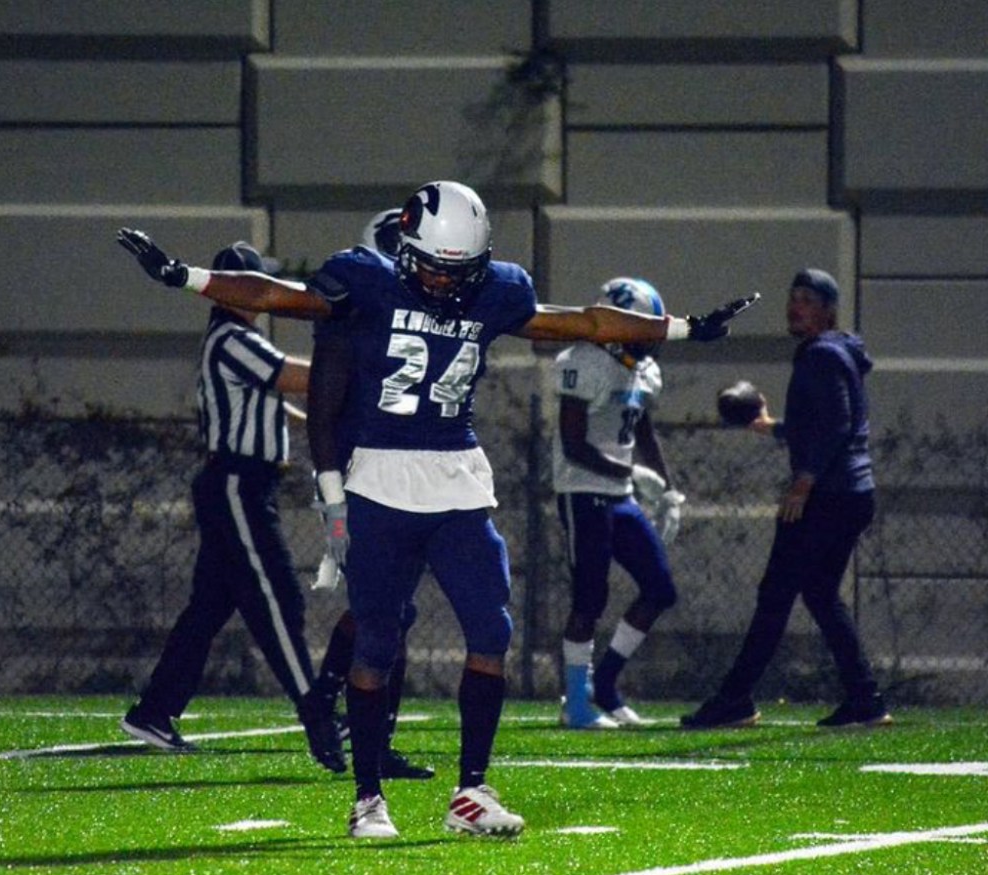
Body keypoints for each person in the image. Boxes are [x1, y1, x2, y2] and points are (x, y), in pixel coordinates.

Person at [117, 179, 745, 839]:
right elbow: (277, 296)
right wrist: (184, 276)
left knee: (491, 631)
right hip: (380, 477)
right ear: (407, 247)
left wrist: (683, 327)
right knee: (376, 642)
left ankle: (471, 791)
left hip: (456, 476)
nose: (446, 282)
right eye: (434, 267)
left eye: (459, 269)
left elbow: (585, 322)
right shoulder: (365, 280)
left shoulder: (495, 289)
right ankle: (368, 798)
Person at [120, 241, 346, 772]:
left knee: (208, 609)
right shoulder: (232, 339)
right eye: (255, 285)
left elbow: (273, 401)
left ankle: (154, 711)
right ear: (234, 289)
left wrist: (312, 423)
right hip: (237, 485)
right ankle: (316, 713)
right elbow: (291, 376)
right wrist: (357, 369)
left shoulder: (236, 340)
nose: (264, 295)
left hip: (242, 485)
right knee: (278, 598)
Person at [680, 268, 893, 730]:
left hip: (827, 497)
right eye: (793, 297)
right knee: (818, 593)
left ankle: (734, 699)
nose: (796, 306)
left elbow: (836, 425)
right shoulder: (836, 352)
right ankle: (865, 699)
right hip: (851, 494)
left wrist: (803, 482)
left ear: (828, 312)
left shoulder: (820, 354)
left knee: (775, 596)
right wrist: (770, 427)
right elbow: (821, 426)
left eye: (808, 300)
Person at [308, 208, 435, 781]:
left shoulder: (415, 311)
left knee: (394, 612)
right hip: (362, 474)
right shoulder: (354, 316)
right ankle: (328, 702)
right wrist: (332, 491)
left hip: (407, 472)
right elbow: (323, 413)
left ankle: (363, 729)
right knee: (386, 610)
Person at [553, 277, 683, 730]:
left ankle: (604, 684)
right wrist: (631, 474)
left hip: (619, 495)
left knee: (659, 588)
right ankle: (575, 702)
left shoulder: (643, 370)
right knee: (589, 598)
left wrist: (667, 487)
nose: (648, 338)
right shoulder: (583, 362)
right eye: (640, 327)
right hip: (582, 491)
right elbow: (574, 445)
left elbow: (641, 426)